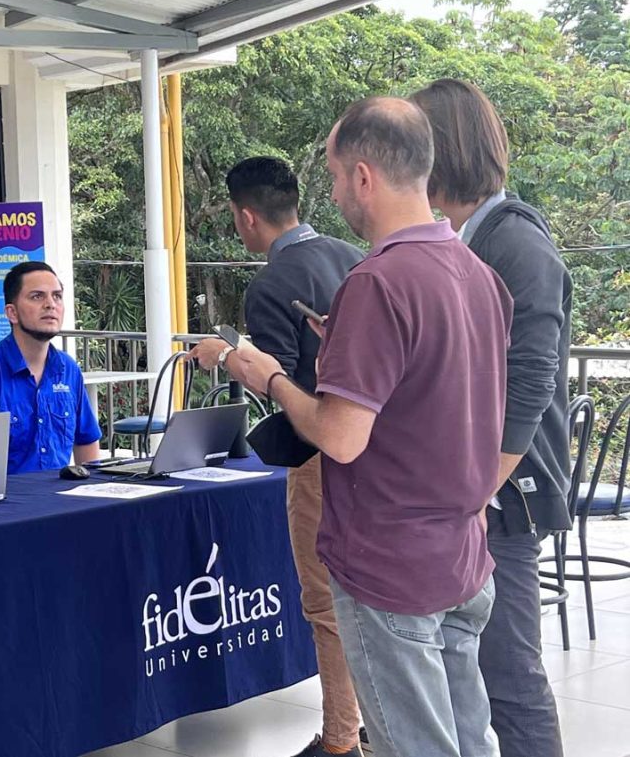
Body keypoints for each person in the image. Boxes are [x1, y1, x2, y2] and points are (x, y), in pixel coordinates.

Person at [195, 97, 513, 757]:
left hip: (391, 563)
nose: (335, 194)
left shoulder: (379, 282)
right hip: (462, 552)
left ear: (364, 176)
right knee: (470, 740)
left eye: (337, 177)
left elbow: (340, 436)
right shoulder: (479, 273)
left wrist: (267, 376)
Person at [412, 78, 572, 757]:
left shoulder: (516, 244)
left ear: (437, 152)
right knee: (469, 672)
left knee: (508, 675)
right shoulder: (469, 239)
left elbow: (531, 384)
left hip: (503, 497)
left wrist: (477, 491)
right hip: (474, 492)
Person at [193, 156, 365, 757]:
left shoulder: (272, 283)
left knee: (324, 600)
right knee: (368, 599)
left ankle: (341, 740)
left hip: (319, 456)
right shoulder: (356, 257)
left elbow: (281, 383)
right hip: (376, 452)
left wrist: (224, 356)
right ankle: (373, 726)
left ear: (245, 217)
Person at [0, 261, 101, 474]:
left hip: (63, 494)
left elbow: (86, 441)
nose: (50, 304)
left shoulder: (68, 369)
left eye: (57, 296)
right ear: (12, 313)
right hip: (5, 495)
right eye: (37, 296)